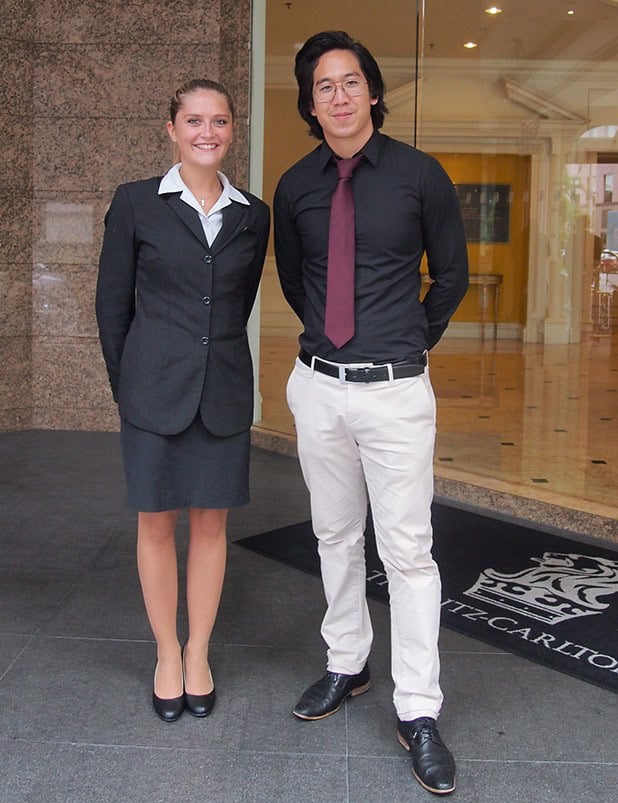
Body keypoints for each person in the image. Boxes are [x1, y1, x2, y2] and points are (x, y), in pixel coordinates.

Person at [273, 32, 468, 795]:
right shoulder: (296, 185)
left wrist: (407, 340)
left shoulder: (421, 176)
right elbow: (297, 280)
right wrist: (334, 344)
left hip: (395, 391)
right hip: (319, 385)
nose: (339, 95)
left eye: (350, 81)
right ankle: (347, 661)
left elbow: (450, 276)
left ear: (374, 92)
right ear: (311, 103)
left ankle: (418, 707)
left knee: (409, 551)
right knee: (333, 534)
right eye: (324, 86)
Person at [96, 79, 270, 722]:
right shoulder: (136, 202)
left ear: (232, 130)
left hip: (222, 388)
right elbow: (112, 306)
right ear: (171, 129)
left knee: (212, 524)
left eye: (219, 121)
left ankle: (199, 652)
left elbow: (237, 303)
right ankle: (166, 653)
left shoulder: (253, 213)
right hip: (151, 390)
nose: (207, 132)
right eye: (194, 120)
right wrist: (129, 386)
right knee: (155, 523)